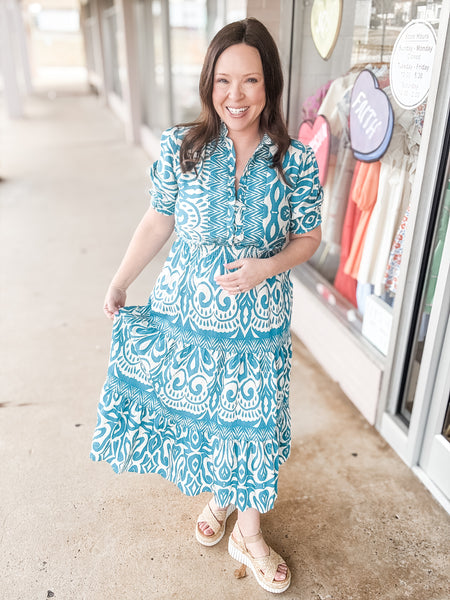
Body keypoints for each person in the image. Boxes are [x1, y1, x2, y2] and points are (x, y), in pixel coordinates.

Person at [90, 17, 322, 594]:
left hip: (257, 321)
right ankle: (223, 494)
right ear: (208, 83)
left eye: (249, 81)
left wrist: (267, 266)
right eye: (223, 81)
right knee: (217, 419)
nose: (234, 97)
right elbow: (158, 219)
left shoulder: (296, 162)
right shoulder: (182, 148)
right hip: (187, 314)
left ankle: (249, 530)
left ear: (270, 84)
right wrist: (120, 281)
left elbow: (310, 237)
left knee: (253, 423)